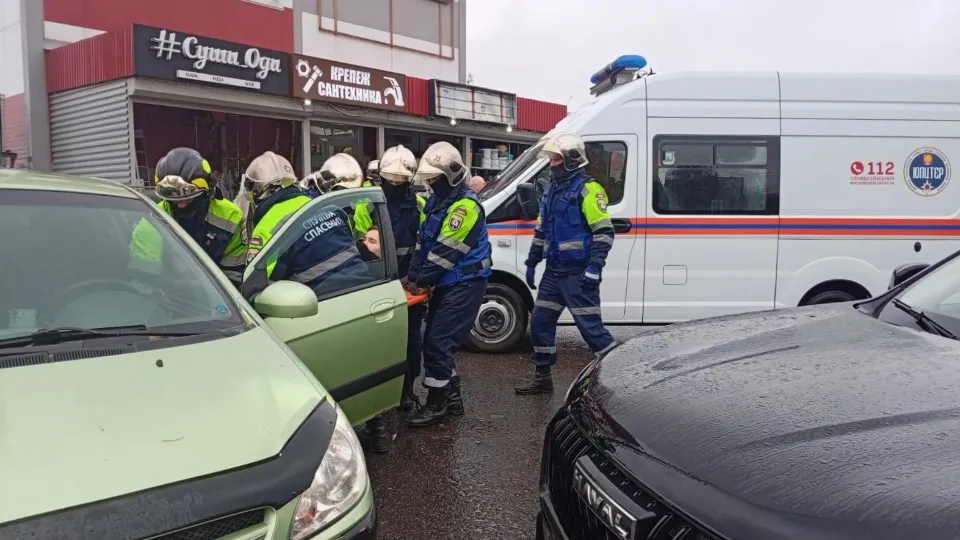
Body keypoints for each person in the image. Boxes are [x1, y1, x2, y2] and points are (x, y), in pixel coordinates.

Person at [514, 133, 618, 395]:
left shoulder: (589, 190)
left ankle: (619, 377)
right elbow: (541, 229)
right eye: (550, 159)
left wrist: (594, 267)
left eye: (556, 159)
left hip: (578, 274)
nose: (551, 164)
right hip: (553, 273)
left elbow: (604, 233)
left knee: (591, 331)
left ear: (571, 161)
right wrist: (532, 260)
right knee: (539, 322)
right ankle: (542, 377)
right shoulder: (550, 188)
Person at [405, 141, 491, 427]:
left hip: (465, 284)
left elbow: (443, 255)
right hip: (448, 284)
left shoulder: (464, 208)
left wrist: (420, 282)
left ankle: (437, 404)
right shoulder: (437, 202)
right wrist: (412, 278)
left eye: (434, 178)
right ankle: (453, 399)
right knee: (438, 341)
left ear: (451, 175)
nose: (430, 183)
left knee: (437, 341)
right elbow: (423, 246)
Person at [357, 145, 428, 411]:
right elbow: (362, 246)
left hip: (410, 286)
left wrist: (417, 279)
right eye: (390, 180)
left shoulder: (419, 205)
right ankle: (380, 393)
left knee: (411, 340)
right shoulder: (367, 204)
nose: (394, 185)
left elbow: (425, 244)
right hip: (377, 283)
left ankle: (407, 390)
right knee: (378, 342)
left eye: (399, 181)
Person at [241, 151, 370, 293]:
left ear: (256, 191)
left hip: (323, 305)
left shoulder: (266, 228)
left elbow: (256, 288)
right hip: (366, 288)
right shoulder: (328, 207)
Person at [134, 147, 246, 286]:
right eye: (174, 198)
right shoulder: (152, 220)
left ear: (208, 190)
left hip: (217, 298)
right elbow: (145, 278)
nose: (181, 205)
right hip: (165, 296)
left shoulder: (231, 217)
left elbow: (234, 276)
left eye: (188, 198)